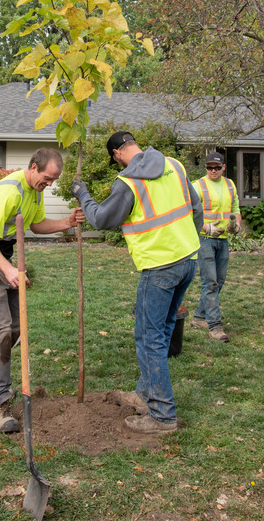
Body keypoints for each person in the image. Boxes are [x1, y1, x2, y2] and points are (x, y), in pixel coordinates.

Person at [71, 131, 203, 434]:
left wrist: (83, 194)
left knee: (149, 337)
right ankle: (145, 395)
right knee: (165, 329)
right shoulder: (175, 165)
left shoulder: (129, 181)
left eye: (114, 158)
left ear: (117, 153)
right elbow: (196, 209)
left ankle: (162, 414)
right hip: (188, 260)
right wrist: (190, 242)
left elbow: (102, 218)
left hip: (160, 267)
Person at [0, 148, 84, 433]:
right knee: (2, 330)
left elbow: (35, 224)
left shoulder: (35, 191)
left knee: (15, 328)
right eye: (47, 178)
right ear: (33, 167)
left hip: (4, 257)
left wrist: (67, 223)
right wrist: (7, 269)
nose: (50, 184)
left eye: (54, 180)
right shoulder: (9, 191)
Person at [190, 151, 241, 342]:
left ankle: (199, 317)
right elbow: (188, 212)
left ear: (223, 168)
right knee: (210, 282)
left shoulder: (230, 185)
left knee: (219, 281)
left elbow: (235, 209)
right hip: (204, 240)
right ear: (206, 168)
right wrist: (205, 227)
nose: (213, 170)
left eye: (217, 167)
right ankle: (215, 327)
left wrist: (236, 226)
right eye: (210, 167)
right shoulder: (198, 186)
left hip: (223, 240)